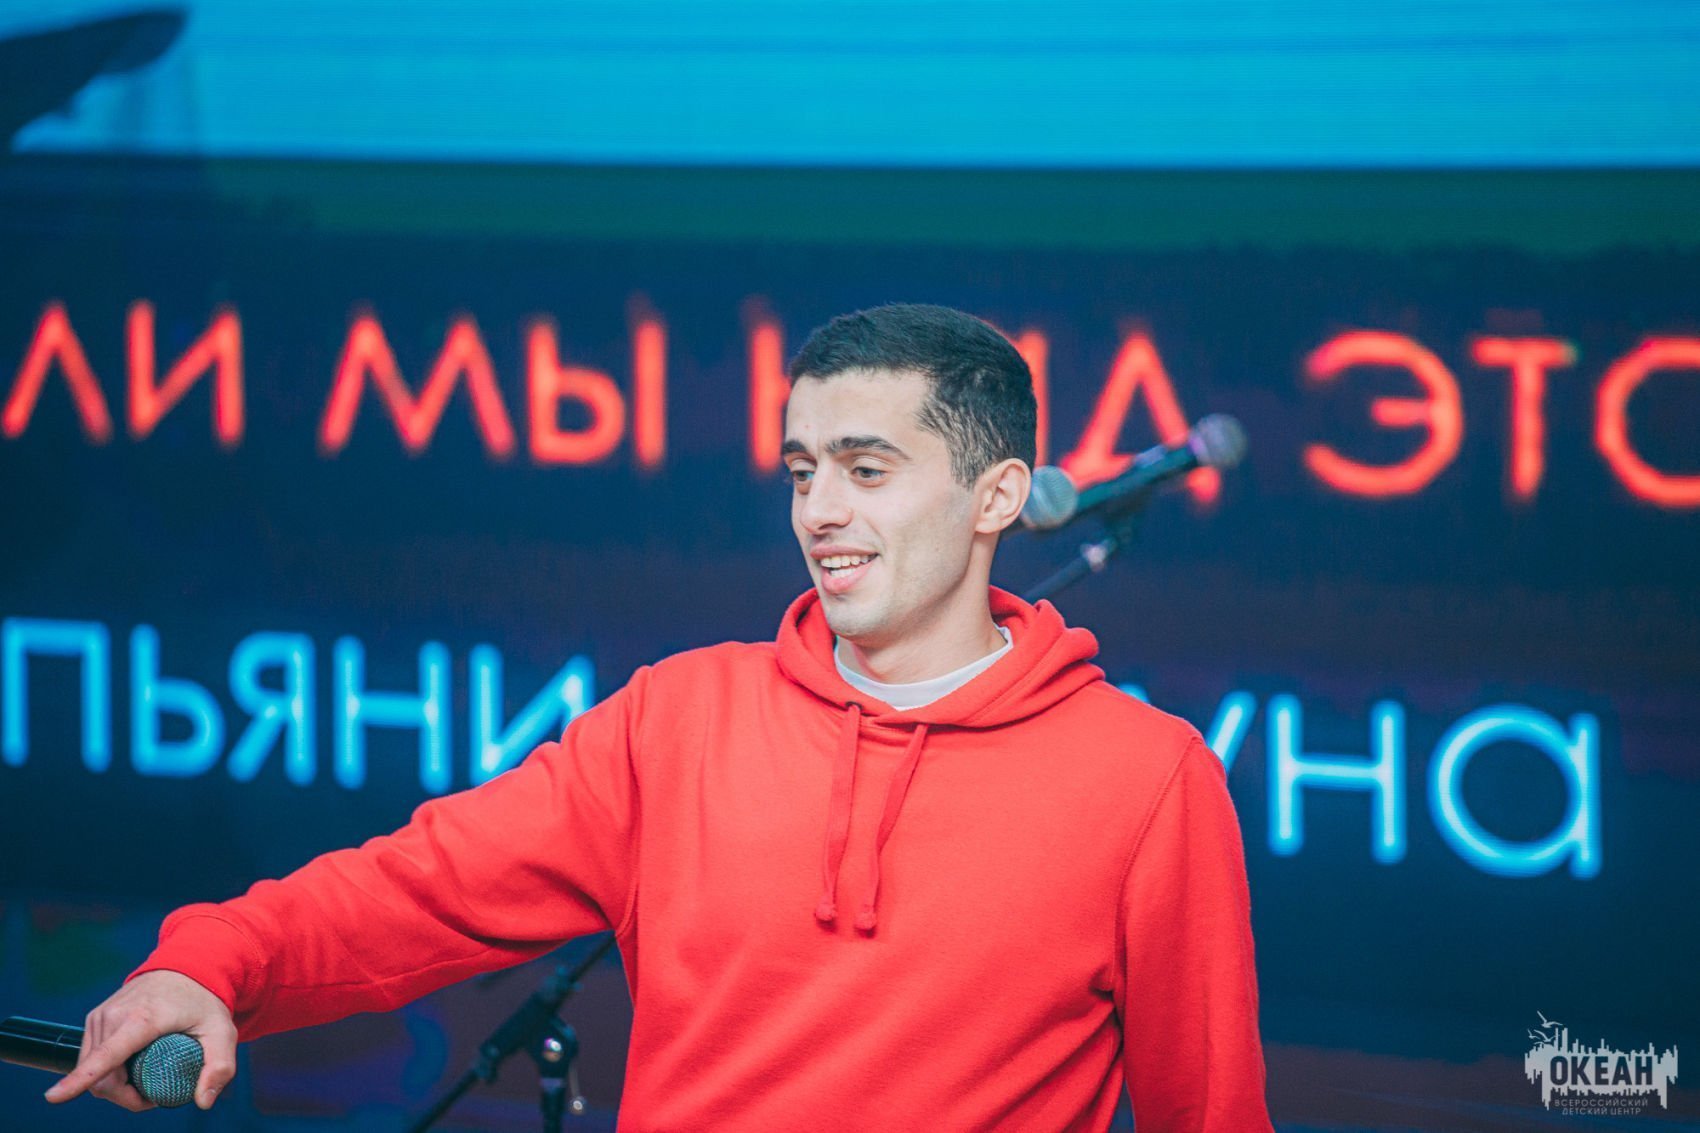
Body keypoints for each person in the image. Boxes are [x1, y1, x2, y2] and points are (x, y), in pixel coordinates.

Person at [46, 303, 1274, 1130]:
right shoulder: (677, 719)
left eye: (866, 469)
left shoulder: (1145, 777)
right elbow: (417, 887)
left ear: (997, 495)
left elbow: (1208, 1109)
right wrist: (207, 962)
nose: (819, 511)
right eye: (801, 471)